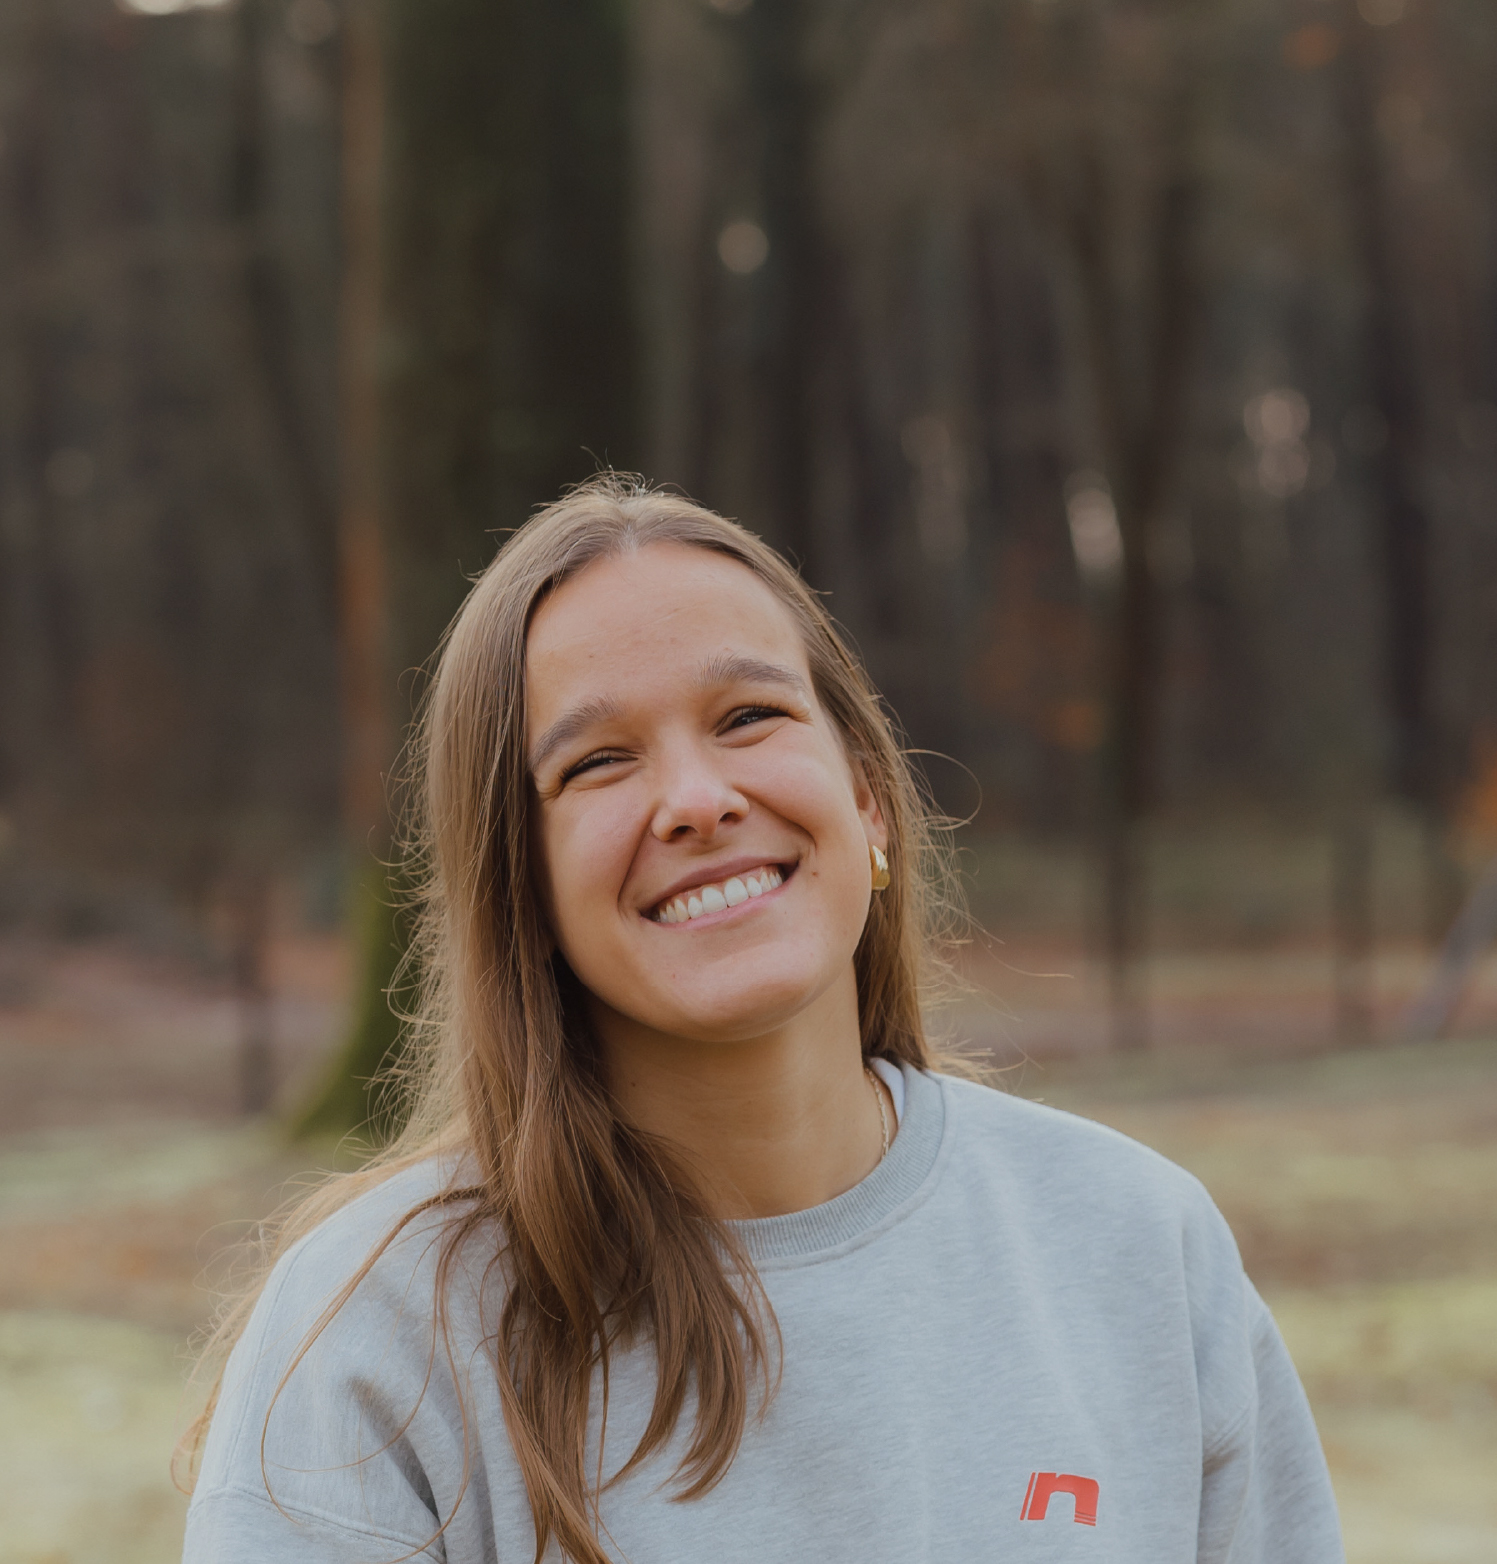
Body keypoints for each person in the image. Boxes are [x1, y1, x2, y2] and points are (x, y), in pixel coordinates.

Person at [181, 476, 1344, 1564]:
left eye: (747, 716)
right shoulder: (375, 1347)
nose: (696, 799)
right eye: (597, 762)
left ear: (869, 799)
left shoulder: (1138, 1245)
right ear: (520, 892)